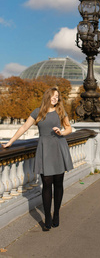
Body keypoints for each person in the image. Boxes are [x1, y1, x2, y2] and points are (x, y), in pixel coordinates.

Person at [2, 87, 73, 231]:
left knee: (58, 183)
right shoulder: (38, 112)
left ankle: (57, 213)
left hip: (59, 147)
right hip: (45, 149)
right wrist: (11, 141)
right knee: (46, 184)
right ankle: (47, 216)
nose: (56, 99)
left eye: (57, 97)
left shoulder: (60, 111)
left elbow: (69, 128)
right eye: (53, 96)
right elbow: (24, 128)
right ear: (47, 96)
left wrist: (62, 132)